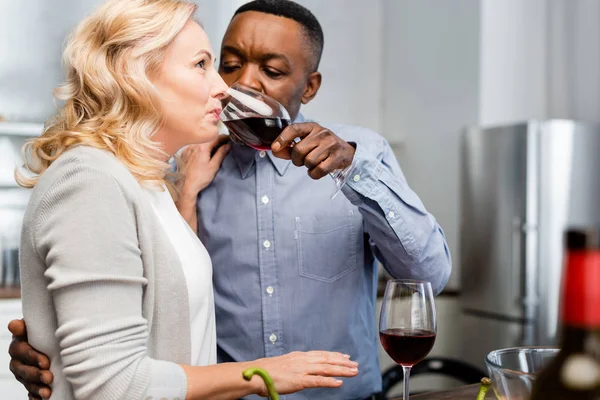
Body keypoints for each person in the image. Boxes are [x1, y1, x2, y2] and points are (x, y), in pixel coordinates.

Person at [9, 1, 452, 399]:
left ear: (310, 86)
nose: (240, 85)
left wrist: (353, 171)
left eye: (272, 72)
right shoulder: (176, 168)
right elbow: (130, 338)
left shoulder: (360, 156)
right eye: (225, 64)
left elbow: (427, 275)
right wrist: (61, 344)